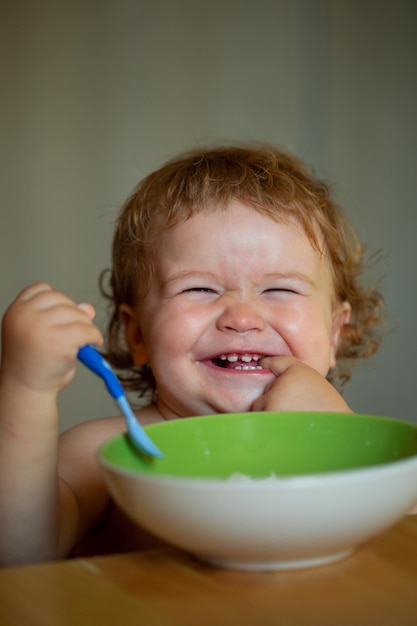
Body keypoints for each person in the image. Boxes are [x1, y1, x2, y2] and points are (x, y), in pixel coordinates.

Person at [0, 144, 384, 566]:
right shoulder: (104, 454)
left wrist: (336, 438)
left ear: (334, 334)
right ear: (137, 334)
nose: (242, 317)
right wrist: (26, 388)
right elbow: (20, 554)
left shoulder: (360, 442)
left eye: (280, 289)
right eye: (199, 288)